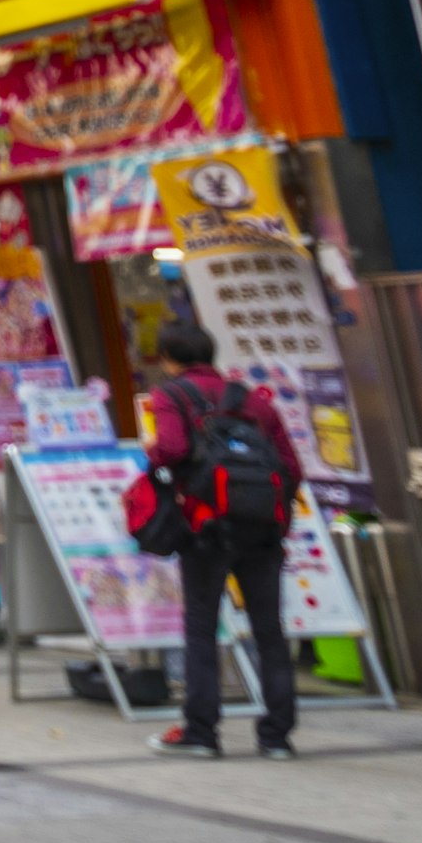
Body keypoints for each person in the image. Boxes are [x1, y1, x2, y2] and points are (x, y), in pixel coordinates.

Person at [137, 321, 304, 760]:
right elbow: (291, 465)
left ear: (168, 359)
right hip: (263, 529)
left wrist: (152, 454)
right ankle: (276, 736)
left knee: (201, 627)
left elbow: (170, 450)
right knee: (270, 630)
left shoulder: (171, 395)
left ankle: (201, 731)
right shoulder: (253, 400)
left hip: (207, 525)